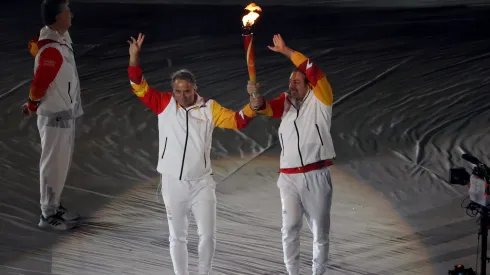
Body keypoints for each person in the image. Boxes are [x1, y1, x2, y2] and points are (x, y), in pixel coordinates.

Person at [127, 33, 258, 275]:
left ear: (195, 88)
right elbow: (138, 85)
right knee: (177, 237)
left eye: (187, 91)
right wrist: (134, 57)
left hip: (201, 183)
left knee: (207, 235)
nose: (182, 96)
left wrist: (253, 106)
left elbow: (238, 121)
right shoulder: (164, 103)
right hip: (173, 183)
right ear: (173, 90)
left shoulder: (209, 108)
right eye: (178, 91)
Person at [249, 34, 335, 275]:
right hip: (288, 178)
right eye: (290, 81)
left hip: (316, 176)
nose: (292, 85)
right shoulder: (285, 102)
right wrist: (256, 101)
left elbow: (314, 70)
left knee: (319, 233)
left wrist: (287, 52)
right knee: (289, 229)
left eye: (297, 81)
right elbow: (265, 107)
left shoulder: (322, 100)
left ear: (309, 85)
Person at [23, 0, 82, 230]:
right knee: (52, 165)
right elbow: (39, 84)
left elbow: (40, 44)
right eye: (67, 11)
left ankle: (54, 206)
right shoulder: (52, 50)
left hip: (64, 114)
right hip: (55, 117)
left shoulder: (59, 40)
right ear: (58, 18)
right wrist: (31, 105)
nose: (71, 15)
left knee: (60, 165)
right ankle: (47, 215)